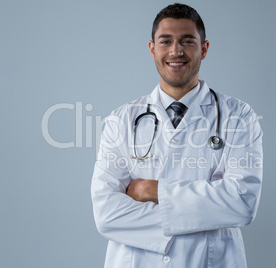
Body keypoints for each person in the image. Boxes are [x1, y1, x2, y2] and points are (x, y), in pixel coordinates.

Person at [91, 3, 263, 267]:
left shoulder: (238, 116)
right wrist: (203, 214)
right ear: (152, 49)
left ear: (204, 49)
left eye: (187, 41)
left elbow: (241, 202)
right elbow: (106, 213)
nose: (176, 51)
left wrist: (152, 189)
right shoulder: (121, 120)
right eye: (166, 41)